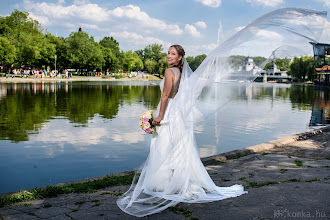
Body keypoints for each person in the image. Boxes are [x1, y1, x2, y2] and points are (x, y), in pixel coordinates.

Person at [116, 45, 247, 217]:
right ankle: (177, 181)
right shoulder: (183, 74)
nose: (168, 56)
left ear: (179, 57)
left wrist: (160, 116)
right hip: (180, 115)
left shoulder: (170, 72)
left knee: (164, 146)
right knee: (179, 146)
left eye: (172, 54)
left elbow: (165, 95)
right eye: (168, 53)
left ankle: (167, 183)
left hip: (170, 111)